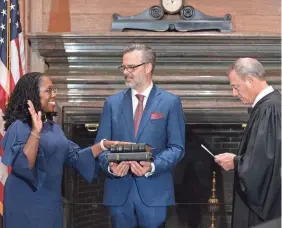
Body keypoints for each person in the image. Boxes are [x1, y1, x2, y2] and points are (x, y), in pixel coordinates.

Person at [1, 72, 128, 228]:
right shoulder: (19, 127)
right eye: (48, 90)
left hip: (51, 202)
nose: (54, 94)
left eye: (54, 90)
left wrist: (103, 145)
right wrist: (36, 131)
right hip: (25, 200)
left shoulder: (53, 128)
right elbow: (24, 166)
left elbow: (77, 157)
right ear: (33, 94)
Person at [95, 43, 185, 228]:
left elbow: (177, 148)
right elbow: (101, 146)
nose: (126, 72)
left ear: (148, 67)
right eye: (124, 67)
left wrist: (152, 166)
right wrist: (110, 167)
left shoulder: (170, 102)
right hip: (119, 193)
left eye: (131, 67)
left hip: (155, 192)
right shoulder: (112, 103)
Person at [214, 58, 281, 228]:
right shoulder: (270, 105)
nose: (234, 94)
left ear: (250, 80)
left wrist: (236, 162)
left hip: (264, 211)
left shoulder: (269, 108)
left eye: (236, 87)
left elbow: (265, 162)